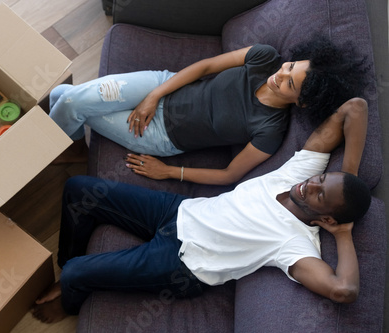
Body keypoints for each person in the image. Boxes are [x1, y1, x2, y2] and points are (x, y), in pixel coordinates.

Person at [32, 97, 371, 323]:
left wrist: (343, 232)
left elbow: (344, 290)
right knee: (78, 189)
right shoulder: (299, 176)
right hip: (179, 211)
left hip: (181, 263)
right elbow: (355, 108)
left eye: (320, 196)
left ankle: (69, 300)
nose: (310, 185)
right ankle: (67, 266)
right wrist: (348, 177)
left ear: (326, 218)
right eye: (322, 178)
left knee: (77, 274)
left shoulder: (296, 245)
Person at [48, 36, 367, 185]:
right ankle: (71, 146)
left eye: (289, 84)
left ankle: (56, 146)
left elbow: (231, 174)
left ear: (303, 103)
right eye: (291, 66)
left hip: (160, 136)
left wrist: (169, 171)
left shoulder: (270, 129)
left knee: (66, 96)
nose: (280, 74)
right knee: (65, 97)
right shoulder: (265, 57)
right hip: (162, 86)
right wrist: (155, 94)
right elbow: (206, 66)